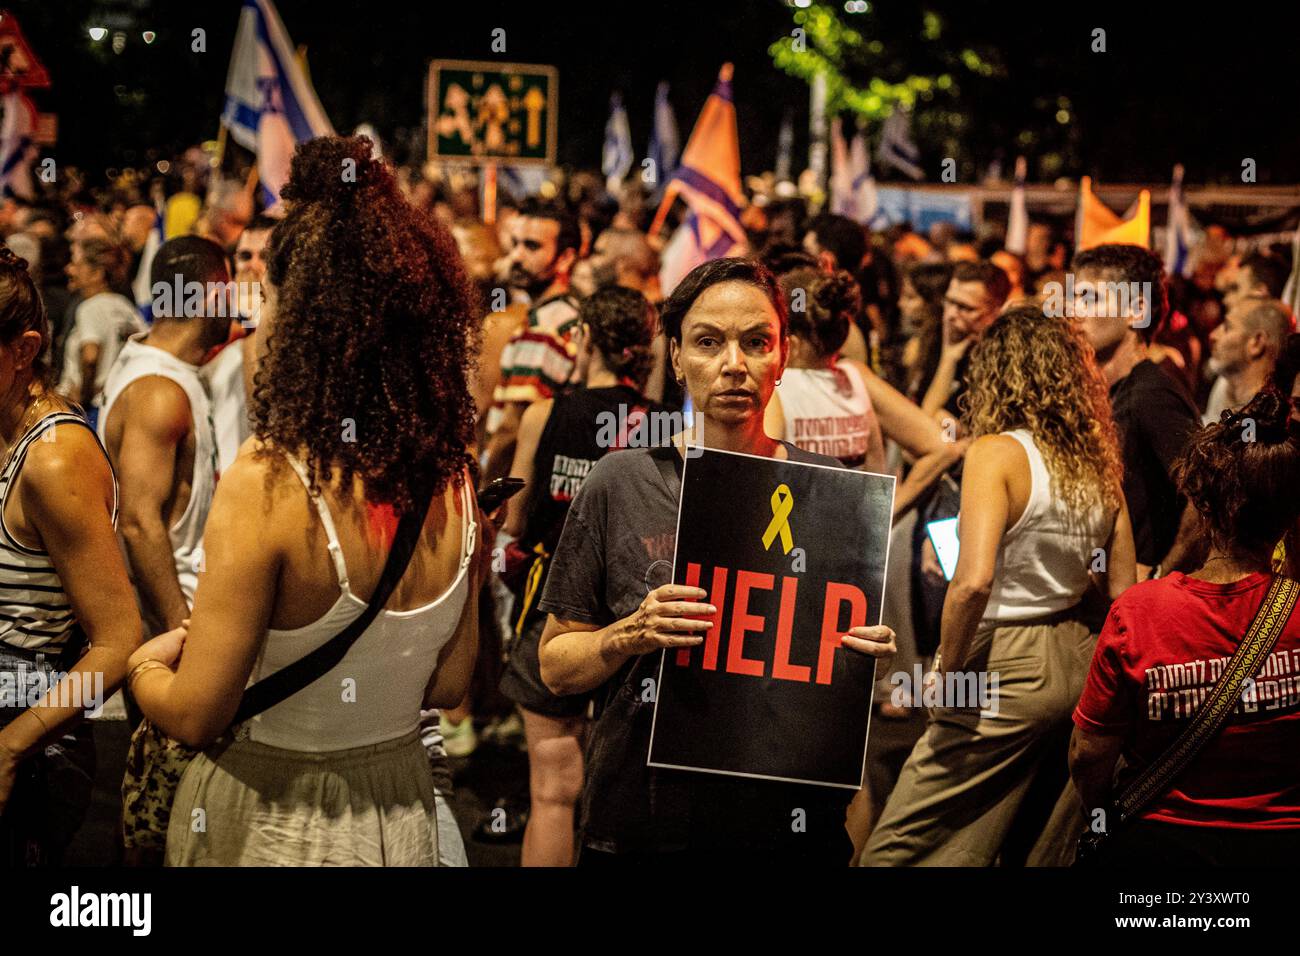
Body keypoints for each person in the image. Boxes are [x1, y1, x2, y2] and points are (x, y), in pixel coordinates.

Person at [127, 135, 489, 866]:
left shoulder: (267, 481)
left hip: (271, 816)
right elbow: (450, 684)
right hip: (399, 813)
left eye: (267, 297)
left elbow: (196, 713)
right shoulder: (455, 481)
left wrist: (142, 667)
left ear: (301, 320)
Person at [536, 257, 897, 864]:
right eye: (708, 342)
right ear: (676, 358)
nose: (734, 364)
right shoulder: (622, 482)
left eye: (756, 342)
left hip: (786, 819)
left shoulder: (827, 488)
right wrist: (629, 633)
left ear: (782, 356)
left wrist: (863, 653)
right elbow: (555, 667)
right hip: (648, 818)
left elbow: (837, 660)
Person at [862, 305, 1136, 866]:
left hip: (1004, 664)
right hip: (1078, 658)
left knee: (898, 847)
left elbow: (973, 583)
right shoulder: (1097, 460)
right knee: (1027, 838)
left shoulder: (996, 452)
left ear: (995, 375)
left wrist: (946, 671)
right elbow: (1120, 590)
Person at [1071, 388, 1300, 865]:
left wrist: (1102, 816)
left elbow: (1087, 754)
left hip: (1161, 843)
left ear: (1205, 509)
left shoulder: (1138, 613)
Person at [499, 285, 665, 866]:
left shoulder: (544, 414)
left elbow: (516, 519)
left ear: (585, 338)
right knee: (617, 792)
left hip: (555, 609)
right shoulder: (665, 426)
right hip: (638, 612)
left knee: (552, 793)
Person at [0, 247, 141, 865]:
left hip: (30, 742)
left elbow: (119, 641)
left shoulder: (55, 460)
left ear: (24, 350)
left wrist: (11, 748)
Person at [98, 237, 228, 635]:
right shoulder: (158, 391)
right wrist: (179, 626)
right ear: (212, 297)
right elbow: (138, 522)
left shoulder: (159, 366)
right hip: (173, 620)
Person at [766, 267, 957, 515]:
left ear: (793, 342)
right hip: (855, 533)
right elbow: (942, 447)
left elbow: (762, 479)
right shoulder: (856, 378)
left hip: (792, 533)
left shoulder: (777, 390)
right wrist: (883, 518)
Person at [1072, 243, 1201, 580]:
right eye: (1073, 297)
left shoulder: (1153, 394)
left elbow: (1209, 494)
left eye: (1089, 298)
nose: (1074, 311)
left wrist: (1162, 574)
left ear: (1136, 310)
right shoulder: (1105, 391)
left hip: (1139, 597)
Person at [483, 199, 583, 483]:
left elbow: (512, 428)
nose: (516, 256)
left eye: (532, 246)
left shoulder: (545, 327)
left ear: (565, 258)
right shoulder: (567, 313)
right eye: (514, 243)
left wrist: (485, 492)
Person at [203, 215, 277, 474]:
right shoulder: (212, 324)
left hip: (263, 474)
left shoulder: (294, 333)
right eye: (245, 256)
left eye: (265, 257)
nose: (252, 266)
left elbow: (262, 410)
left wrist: (253, 316)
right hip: (220, 477)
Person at [919, 260, 1012, 426]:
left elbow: (930, 426)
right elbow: (921, 418)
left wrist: (949, 358)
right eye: (949, 302)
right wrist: (949, 356)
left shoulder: (1004, 359)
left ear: (996, 312)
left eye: (965, 308)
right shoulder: (939, 334)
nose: (951, 315)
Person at [58, 237, 143, 411]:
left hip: (91, 406)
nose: (69, 269)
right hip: (118, 402)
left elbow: (90, 357)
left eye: (77, 265)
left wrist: (83, 397)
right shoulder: (127, 307)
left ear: (97, 274)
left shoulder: (90, 308)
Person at [1202, 298, 1291, 425]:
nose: (1213, 335)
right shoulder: (1223, 388)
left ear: (1257, 343)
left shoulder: (1271, 421)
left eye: (1227, 327)